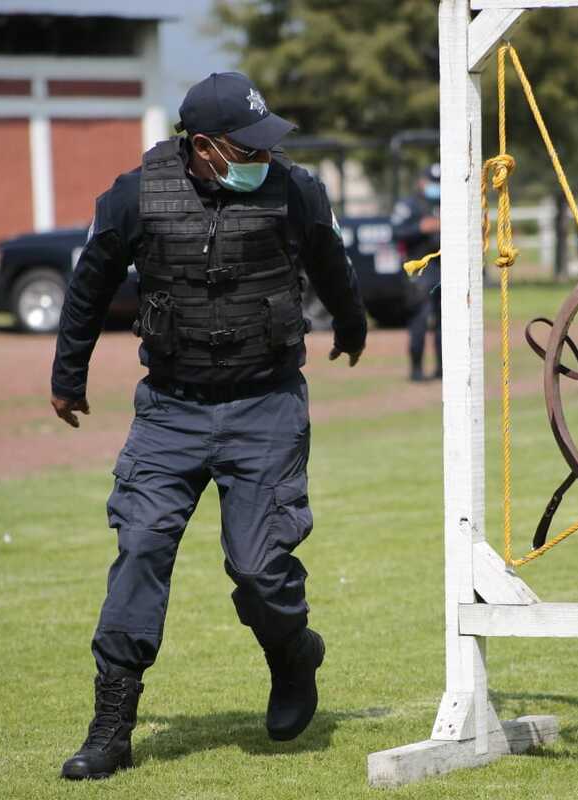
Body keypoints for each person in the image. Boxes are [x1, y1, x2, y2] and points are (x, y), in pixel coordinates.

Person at [49, 72, 367, 780]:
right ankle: (111, 727)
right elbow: (90, 284)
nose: (263, 157)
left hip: (266, 405)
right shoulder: (135, 196)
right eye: (247, 148)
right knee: (140, 547)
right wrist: (67, 377)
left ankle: (293, 655)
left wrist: (351, 327)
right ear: (202, 146)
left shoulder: (295, 190)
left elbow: (331, 262)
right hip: (170, 410)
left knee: (258, 569)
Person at [392, 163, 441, 382]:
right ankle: (417, 370)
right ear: (421, 182)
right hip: (418, 271)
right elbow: (396, 231)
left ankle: (442, 369)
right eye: (433, 182)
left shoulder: (448, 202)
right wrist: (421, 228)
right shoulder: (409, 205)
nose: (436, 187)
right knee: (419, 320)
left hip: (443, 268)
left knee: (445, 322)